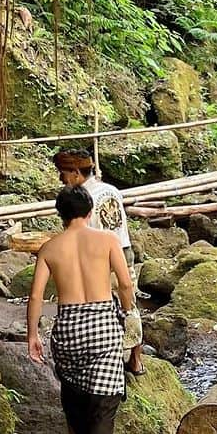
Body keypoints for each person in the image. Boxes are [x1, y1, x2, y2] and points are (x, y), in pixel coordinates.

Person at [27, 185, 135, 434]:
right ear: (90, 211)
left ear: (60, 215)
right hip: (103, 324)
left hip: (70, 326)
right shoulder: (106, 241)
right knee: (104, 405)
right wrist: (128, 312)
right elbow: (126, 284)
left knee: (72, 393)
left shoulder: (49, 248)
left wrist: (32, 335)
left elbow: (35, 298)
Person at [52, 148, 145, 376]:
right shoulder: (111, 190)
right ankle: (136, 358)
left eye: (62, 173)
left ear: (75, 172)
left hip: (99, 254)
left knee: (101, 307)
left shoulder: (80, 198)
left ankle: (104, 357)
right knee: (128, 302)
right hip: (124, 249)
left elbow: (81, 233)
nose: (61, 179)